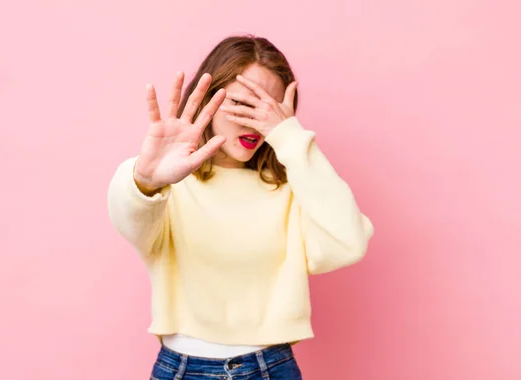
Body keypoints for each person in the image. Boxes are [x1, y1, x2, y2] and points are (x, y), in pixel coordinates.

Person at [107, 35, 374, 379]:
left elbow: (349, 243)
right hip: (184, 369)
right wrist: (145, 178)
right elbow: (130, 218)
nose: (253, 123)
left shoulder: (293, 187)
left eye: (267, 110)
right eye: (242, 104)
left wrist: (290, 137)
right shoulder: (165, 185)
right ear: (206, 99)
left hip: (272, 367)